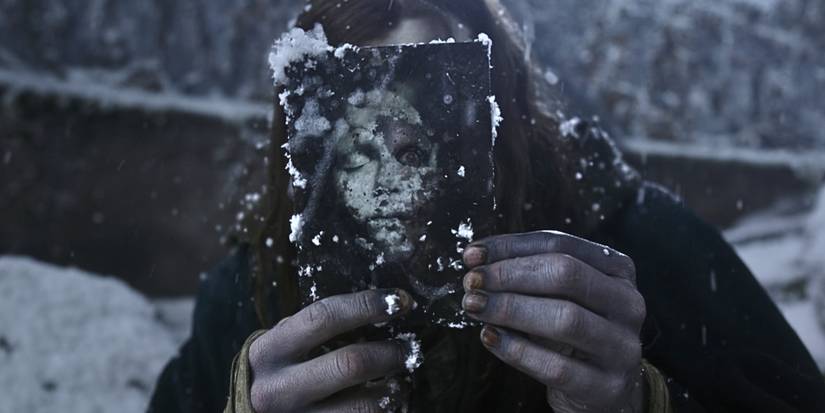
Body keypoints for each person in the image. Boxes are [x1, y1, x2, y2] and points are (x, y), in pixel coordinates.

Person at [148, 1, 825, 412]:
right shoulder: (253, 292)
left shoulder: (638, 244)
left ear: (505, 127)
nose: (391, 184)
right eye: (357, 155)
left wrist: (639, 401)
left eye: (424, 146)